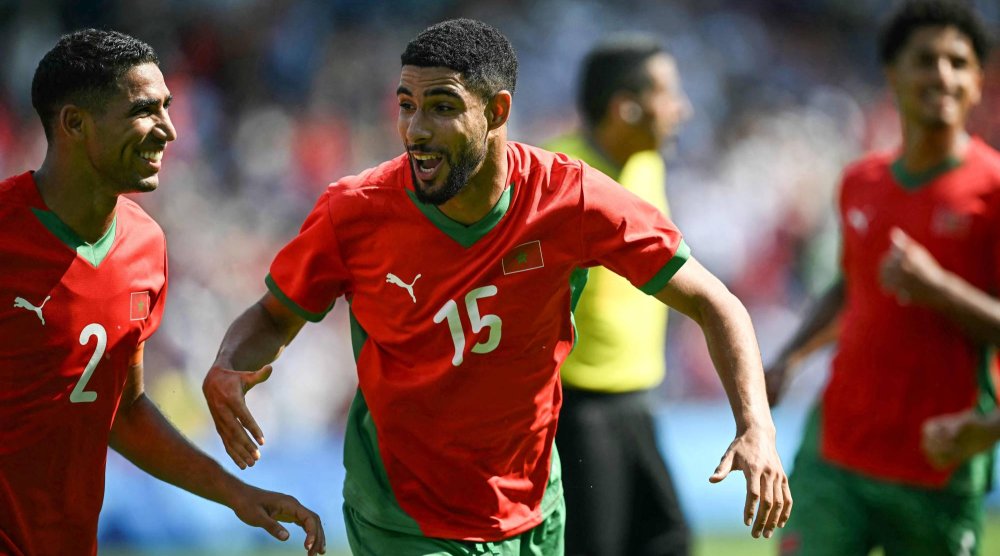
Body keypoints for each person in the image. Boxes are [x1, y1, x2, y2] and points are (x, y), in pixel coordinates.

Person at [203, 18, 791, 556]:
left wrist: (756, 428)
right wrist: (229, 363)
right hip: (405, 519)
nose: (415, 129)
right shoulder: (355, 211)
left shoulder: (571, 198)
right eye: (406, 105)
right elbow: (275, 315)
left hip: (535, 511)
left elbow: (717, 304)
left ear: (497, 109)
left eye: (441, 107)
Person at [0, 29, 325, 556]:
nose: (170, 130)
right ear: (75, 124)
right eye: (144, 110)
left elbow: (124, 412)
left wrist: (236, 494)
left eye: (168, 108)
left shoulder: (144, 246)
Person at [765, 1, 1000, 554]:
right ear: (892, 74)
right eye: (924, 60)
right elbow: (852, 288)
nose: (941, 75)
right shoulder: (860, 181)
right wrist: (791, 358)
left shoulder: (992, 192)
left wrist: (936, 288)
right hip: (837, 451)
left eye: (958, 62)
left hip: (937, 463)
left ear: (978, 82)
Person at [543, 34, 693, 556]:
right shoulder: (556, 175)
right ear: (625, 107)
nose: (683, 109)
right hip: (578, 408)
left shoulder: (648, 164)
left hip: (639, 399)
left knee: (670, 541)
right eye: (669, 94)